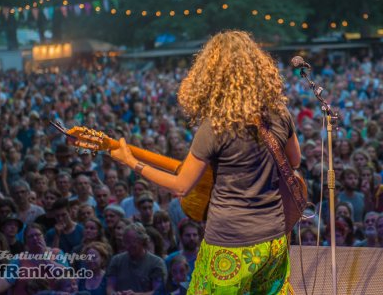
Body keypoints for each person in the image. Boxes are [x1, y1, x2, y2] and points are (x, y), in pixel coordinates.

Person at [110, 30, 301, 294]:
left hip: (230, 242)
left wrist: (132, 162)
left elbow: (181, 186)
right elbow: (295, 160)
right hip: (274, 236)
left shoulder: (215, 126)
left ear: (211, 74)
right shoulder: (280, 114)